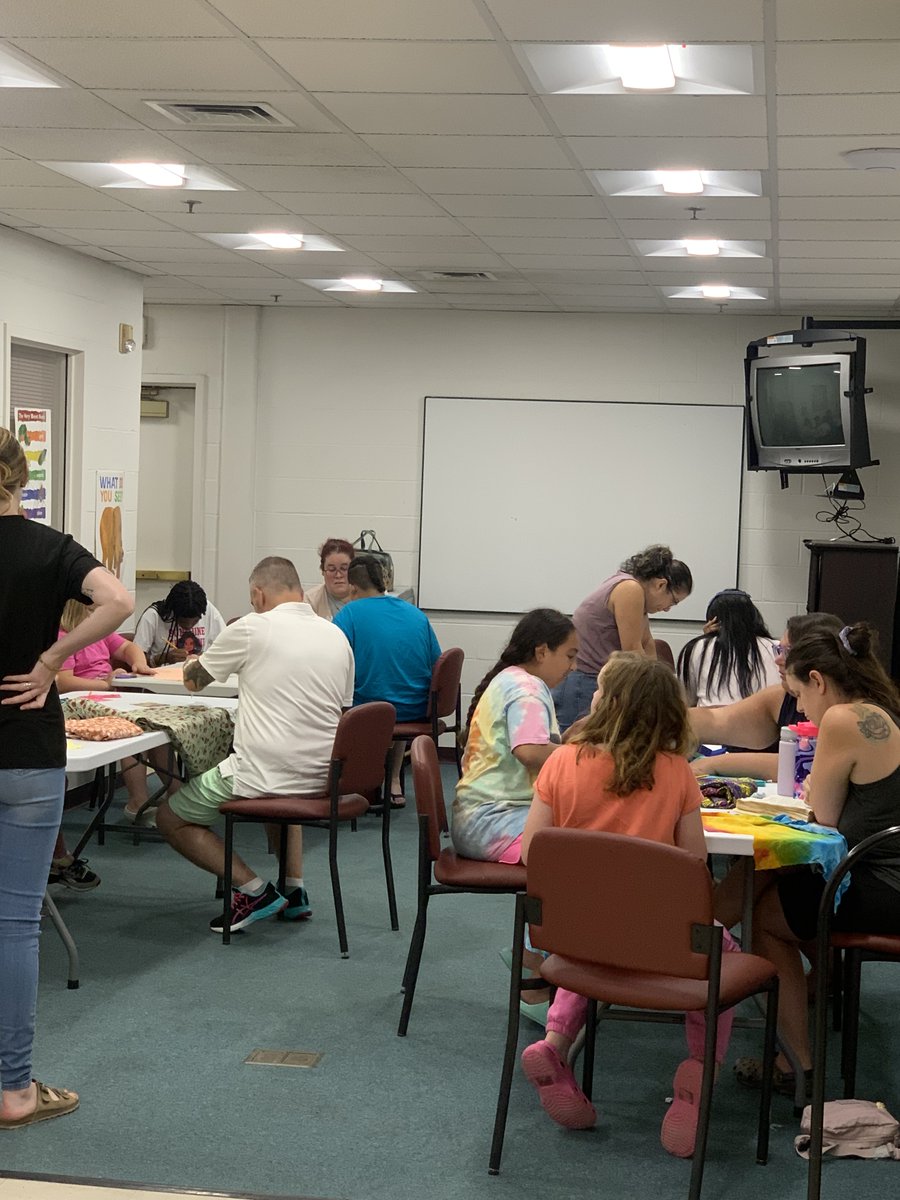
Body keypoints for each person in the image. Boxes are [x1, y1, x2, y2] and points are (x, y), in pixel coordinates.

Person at [518, 653, 739, 1158]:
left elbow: (534, 853)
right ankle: (701, 1069)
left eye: (599, 689)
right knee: (719, 951)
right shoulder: (677, 772)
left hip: (578, 932)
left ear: (611, 703)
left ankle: (554, 1044)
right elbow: (693, 864)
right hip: (661, 941)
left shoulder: (561, 761)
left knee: (592, 950)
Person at [0, 427, 133, 1128]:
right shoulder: (49, 546)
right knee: (15, 926)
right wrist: (52, 661)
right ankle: (13, 1089)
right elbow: (117, 599)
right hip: (26, 749)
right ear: (20, 479)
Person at [721, 622, 900, 1096]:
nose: (799, 708)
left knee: (764, 917)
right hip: (882, 871)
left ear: (818, 680)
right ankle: (710, 932)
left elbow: (818, 819)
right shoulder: (880, 710)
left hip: (883, 882)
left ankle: (794, 1064)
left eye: (800, 695)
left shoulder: (842, 720)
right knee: (765, 876)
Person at [156, 557, 354, 934]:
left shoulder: (251, 628)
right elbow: (343, 710)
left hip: (262, 773)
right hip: (322, 776)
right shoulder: (336, 635)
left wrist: (193, 659)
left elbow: (194, 683)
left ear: (257, 594)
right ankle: (293, 891)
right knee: (280, 796)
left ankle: (253, 889)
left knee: (170, 817)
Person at [452, 609, 577, 864]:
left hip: (481, 820)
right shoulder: (528, 689)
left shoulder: (511, 678)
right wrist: (582, 754)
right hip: (496, 823)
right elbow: (530, 752)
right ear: (542, 652)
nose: (573, 667)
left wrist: (567, 741)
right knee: (585, 852)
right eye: (569, 656)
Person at [333, 554, 440, 806]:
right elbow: (437, 662)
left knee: (338, 702)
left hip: (370, 709)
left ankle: (352, 784)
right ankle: (392, 780)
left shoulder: (349, 613)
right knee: (387, 704)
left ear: (353, 587)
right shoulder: (416, 615)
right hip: (415, 709)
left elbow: (329, 659)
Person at [689, 611, 844, 781]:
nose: (777, 659)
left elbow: (810, 765)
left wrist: (715, 763)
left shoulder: (847, 713)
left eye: (787, 652)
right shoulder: (781, 697)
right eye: (778, 649)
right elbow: (715, 720)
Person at [552, 544, 693, 730]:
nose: (667, 608)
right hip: (584, 683)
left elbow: (647, 644)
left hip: (595, 681)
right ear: (661, 585)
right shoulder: (630, 589)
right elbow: (633, 652)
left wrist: (659, 689)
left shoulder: (635, 590)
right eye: (673, 602)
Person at [55, 600, 170, 826]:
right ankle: (138, 801)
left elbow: (129, 648)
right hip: (80, 701)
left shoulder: (98, 632)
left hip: (107, 696)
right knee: (128, 731)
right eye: (92, 611)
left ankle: (177, 798)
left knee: (157, 726)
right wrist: (106, 684)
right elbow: (64, 682)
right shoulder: (64, 637)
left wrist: (138, 663)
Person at [678, 588, 780, 707]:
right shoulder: (776, 647)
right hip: (764, 723)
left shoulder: (696, 648)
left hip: (711, 722)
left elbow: (687, 700)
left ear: (713, 622)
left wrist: (706, 640)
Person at [133, 580, 225, 667]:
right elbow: (134, 660)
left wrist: (206, 657)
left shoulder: (207, 609)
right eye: (183, 621)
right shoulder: (154, 616)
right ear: (173, 612)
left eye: (195, 621)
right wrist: (164, 658)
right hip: (162, 678)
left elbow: (226, 648)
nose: (189, 626)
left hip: (197, 676)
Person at [304, 537, 355, 620]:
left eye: (344, 568)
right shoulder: (309, 602)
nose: (338, 575)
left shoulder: (368, 597)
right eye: (332, 569)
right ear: (323, 571)